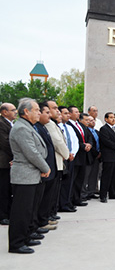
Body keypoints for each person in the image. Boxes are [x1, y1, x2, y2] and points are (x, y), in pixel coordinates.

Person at [8, 98, 50, 254]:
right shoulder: (21, 128)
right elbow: (31, 152)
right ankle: (16, 243)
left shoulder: (27, 126)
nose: (39, 112)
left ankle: (25, 237)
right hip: (24, 176)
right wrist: (45, 167)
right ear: (26, 111)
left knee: (29, 210)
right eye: (37, 110)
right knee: (21, 211)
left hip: (32, 175)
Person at [34, 103, 57, 232]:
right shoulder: (36, 128)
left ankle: (44, 218)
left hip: (49, 168)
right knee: (41, 199)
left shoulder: (43, 127)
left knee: (47, 196)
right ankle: (41, 221)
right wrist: (44, 168)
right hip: (43, 169)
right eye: (46, 112)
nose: (49, 115)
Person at [44, 100, 69, 220]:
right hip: (54, 161)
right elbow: (57, 142)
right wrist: (67, 154)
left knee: (54, 191)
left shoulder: (53, 124)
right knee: (50, 193)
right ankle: (47, 215)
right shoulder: (49, 124)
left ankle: (51, 213)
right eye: (54, 108)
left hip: (58, 161)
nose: (57, 111)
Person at [67, 106, 91, 208]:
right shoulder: (68, 125)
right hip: (75, 156)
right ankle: (70, 200)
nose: (78, 113)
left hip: (83, 156)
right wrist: (83, 146)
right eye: (76, 112)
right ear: (70, 113)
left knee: (79, 180)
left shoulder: (80, 125)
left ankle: (77, 199)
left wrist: (89, 144)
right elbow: (74, 140)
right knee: (72, 180)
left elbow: (87, 136)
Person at [98, 112, 115, 202]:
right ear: (106, 119)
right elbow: (107, 142)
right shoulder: (103, 129)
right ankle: (103, 195)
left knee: (114, 176)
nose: (113, 119)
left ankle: (113, 194)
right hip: (108, 156)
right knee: (106, 176)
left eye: (114, 117)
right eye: (111, 117)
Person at [57, 106, 78, 213]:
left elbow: (75, 142)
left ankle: (67, 202)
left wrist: (73, 153)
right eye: (65, 113)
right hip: (62, 158)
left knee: (69, 182)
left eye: (68, 113)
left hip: (71, 158)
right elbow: (59, 143)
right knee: (62, 183)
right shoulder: (57, 127)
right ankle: (61, 204)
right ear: (59, 114)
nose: (68, 115)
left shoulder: (69, 127)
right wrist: (66, 154)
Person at [0, 102, 16, 226]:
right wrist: (16, 155)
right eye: (13, 109)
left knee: (9, 189)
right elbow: (5, 143)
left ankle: (9, 213)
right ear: (5, 112)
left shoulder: (11, 123)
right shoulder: (1, 124)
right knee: (3, 190)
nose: (15, 112)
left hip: (10, 161)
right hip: (4, 162)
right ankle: (3, 215)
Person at [84, 115, 101, 199]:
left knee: (94, 175)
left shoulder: (97, 132)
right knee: (86, 175)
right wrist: (96, 153)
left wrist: (100, 152)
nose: (93, 122)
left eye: (93, 120)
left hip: (97, 157)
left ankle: (92, 191)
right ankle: (84, 193)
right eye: (90, 120)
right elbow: (90, 144)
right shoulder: (86, 131)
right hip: (90, 155)